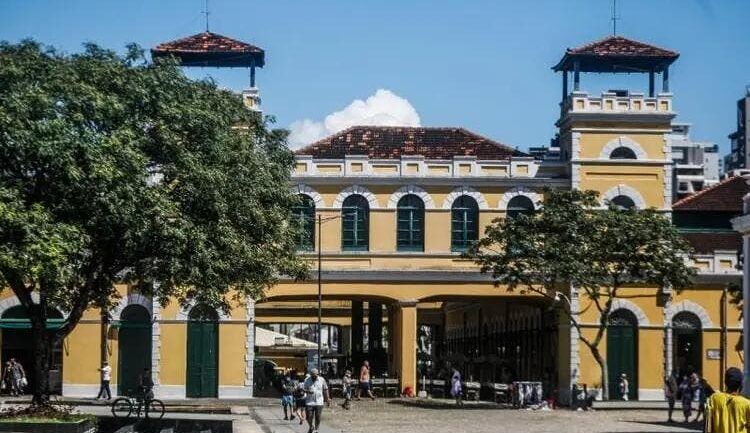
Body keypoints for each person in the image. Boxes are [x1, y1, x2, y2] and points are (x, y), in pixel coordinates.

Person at [706, 367, 748, 433]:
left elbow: (708, 427)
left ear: (725, 382)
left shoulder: (714, 398)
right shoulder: (746, 404)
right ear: (740, 384)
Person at [304, 368, 329, 433]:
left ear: (317, 374)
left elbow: (325, 389)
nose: (314, 377)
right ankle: (311, 426)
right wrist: (308, 391)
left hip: (319, 401)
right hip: (309, 402)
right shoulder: (307, 380)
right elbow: (304, 389)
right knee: (308, 417)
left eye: (315, 375)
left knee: (318, 416)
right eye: (313, 376)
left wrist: (327, 399)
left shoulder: (322, 380)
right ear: (311, 375)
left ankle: (316, 429)